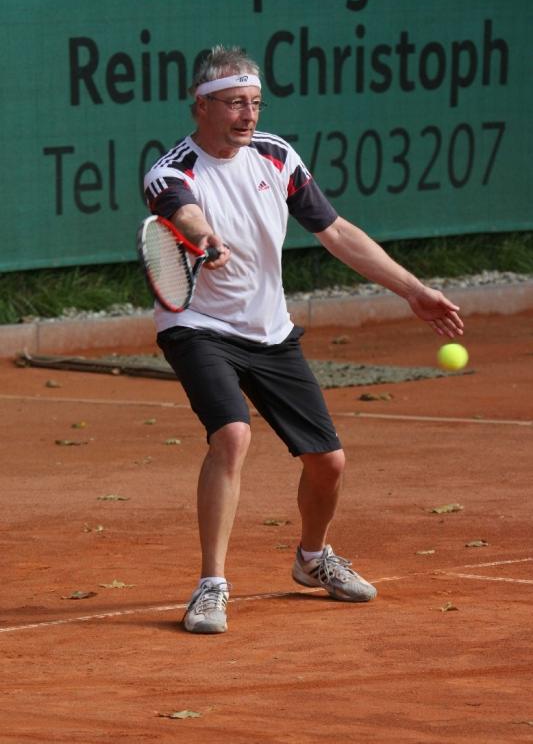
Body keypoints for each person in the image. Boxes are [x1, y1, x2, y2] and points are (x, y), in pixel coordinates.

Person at [143, 45, 464, 635]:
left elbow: (336, 232)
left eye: (255, 103)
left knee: (328, 463)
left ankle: (312, 559)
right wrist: (204, 238)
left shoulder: (276, 155)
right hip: (197, 325)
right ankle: (211, 586)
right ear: (201, 106)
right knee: (232, 435)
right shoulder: (171, 171)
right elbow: (185, 214)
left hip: (270, 329)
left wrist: (413, 290)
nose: (247, 114)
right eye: (234, 103)